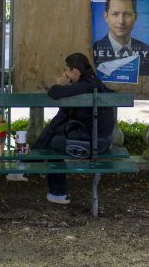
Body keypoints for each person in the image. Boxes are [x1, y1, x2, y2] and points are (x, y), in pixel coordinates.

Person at [33, 53, 115, 204]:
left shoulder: (86, 85)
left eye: (66, 71)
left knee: (54, 143)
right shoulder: (91, 83)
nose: (64, 74)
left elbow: (54, 92)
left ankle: (55, 190)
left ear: (75, 72)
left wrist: (60, 83)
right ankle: (31, 166)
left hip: (95, 144)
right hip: (99, 139)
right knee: (55, 131)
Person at [92, 0, 149, 76]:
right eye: (115, 14)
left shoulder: (146, 50)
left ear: (136, 17)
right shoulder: (94, 49)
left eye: (127, 14)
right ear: (106, 16)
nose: (121, 21)